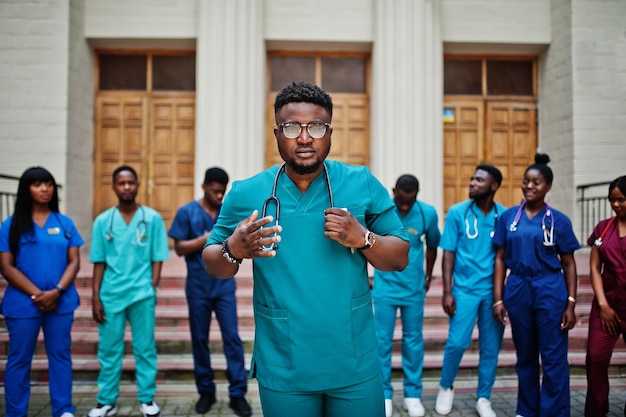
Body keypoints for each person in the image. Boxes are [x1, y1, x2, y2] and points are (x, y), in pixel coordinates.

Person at [202, 81, 409, 417]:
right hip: (286, 363)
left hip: (353, 360)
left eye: (315, 126)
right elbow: (213, 264)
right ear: (276, 133)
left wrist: (364, 239)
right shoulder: (246, 192)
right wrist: (233, 248)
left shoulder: (361, 182)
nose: (303, 137)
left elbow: (400, 256)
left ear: (329, 132)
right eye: (291, 127)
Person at [492, 153, 580, 417]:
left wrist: (571, 303)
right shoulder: (508, 218)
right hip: (518, 287)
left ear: (548, 186)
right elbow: (499, 260)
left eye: (536, 182)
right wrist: (498, 298)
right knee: (526, 356)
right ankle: (527, 410)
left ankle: (554, 412)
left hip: (549, 288)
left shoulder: (559, 221)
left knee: (553, 357)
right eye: (526, 181)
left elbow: (569, 263)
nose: (529, 186)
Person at [0, 167, 84, 417]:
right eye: (37, 184)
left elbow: (74, 262)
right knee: (19, 359)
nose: (45, 189)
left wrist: (56, 292)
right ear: (26, 189)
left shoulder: (64, 223)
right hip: (23, 303)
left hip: (61, 302)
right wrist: (39, 294)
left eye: (48, 184)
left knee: (60, 355)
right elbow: (5, 265)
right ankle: (16, 412)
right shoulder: (10, 225)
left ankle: (63, 409)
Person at [168, 167, 252, 417]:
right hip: (198, 287)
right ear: (204, 187)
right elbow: (180, 247)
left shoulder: (228, 212)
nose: (219, 196)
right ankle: (206, 392)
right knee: (200, 339)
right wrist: (207, 238)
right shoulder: (187, 212)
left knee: (232, 339)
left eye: (222, 192)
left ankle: (238, 394)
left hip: (225, 286)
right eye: (215, 191)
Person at [88, 165, 169, 417]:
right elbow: (99, 261)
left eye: (130, 183)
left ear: (137, 185)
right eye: (121, 183)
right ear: (114, 187)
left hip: (141, 294)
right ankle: (106, 401)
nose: (126, 187)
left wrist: (152, 284)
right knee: (109, 350)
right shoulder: (103, 221)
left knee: (144, 348)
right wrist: (95, 296)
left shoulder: (152, 218)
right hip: (111, 295)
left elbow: (158, 255)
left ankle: (146, 399)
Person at [435, 164, 506, 417]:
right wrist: (447, 291)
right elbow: (448, 253)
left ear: (494, 186)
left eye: (479, 180)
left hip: (493, 292)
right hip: (464, 289)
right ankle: (446, 386)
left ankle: (484, 397)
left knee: (490, 346)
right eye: (472, 179)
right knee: (456, 342)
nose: (473, 183)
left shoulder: (504, 216)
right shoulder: (457, 213)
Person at [372, 174, 440, 417]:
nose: (404, 206)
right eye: (400, 200)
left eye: (409, 201)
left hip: (413, 289)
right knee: (382, 342)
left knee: (413, 341)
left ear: (417, 195)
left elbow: (433, 245)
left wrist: (429, 275)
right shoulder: (382, 210)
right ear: (394, 192)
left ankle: (413, 394)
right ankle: (384, 394)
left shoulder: (427, 213)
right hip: (385, 289)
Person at [584, 175, 626, 417]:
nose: (615, 205)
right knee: (595, 359)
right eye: (612, 200)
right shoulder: (603, 227)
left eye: (621, 200)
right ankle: (596, 412)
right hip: (606, 305)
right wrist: (603, 304)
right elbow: (594, 268)